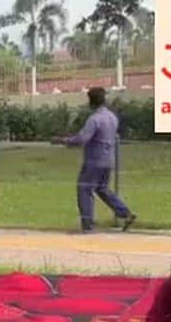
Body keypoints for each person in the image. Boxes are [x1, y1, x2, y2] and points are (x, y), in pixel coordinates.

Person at [53, 87, 136, 233]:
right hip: (108, 159)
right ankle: (125, 213)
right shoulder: (111, 117)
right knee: (102, 189)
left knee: (84, 189)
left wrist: (63, 140)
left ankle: (88, 224)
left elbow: (82, 138)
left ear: (90, 101)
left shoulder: (94, 119)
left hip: (94, 160)